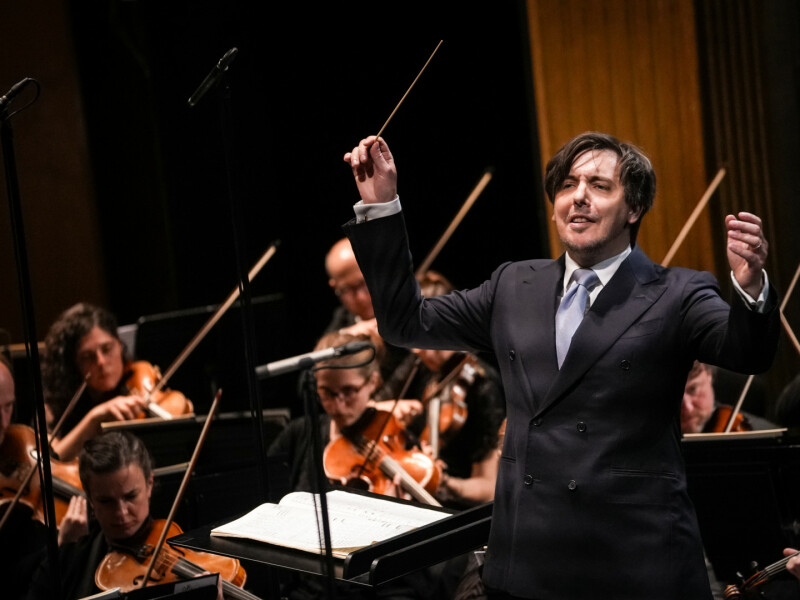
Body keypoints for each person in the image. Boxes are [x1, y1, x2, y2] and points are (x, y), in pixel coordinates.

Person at [340, 132, 780, 599]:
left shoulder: (677, 292)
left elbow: (747, 353)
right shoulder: (513, 285)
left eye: (600, 185)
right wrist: (382, 207)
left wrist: (751, 288)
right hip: (526, 566)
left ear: (634, 208)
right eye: (568, 185)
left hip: (634, 565)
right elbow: (406, 322)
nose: (579, 197)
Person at [268, 331, 439, 599]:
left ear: (373, 382)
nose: (338, 404)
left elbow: (419, 544)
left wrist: (396, 513)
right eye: (327, 393)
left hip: (380, 585)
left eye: (349, 391)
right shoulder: (299, 434)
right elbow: (266, 502)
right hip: (312, 584)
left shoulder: (395, 436)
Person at [27, 430, 233, 600]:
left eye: (130, 496)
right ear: (90, 498)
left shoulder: (190, 546)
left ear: (149, 484)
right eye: (106, 501)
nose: (121, 513)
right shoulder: (67, 560)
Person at [41, 303, 190, 462]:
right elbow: (50, 464)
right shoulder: (56, 409)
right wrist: (94, 419)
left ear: (119, 345)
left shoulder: (138, 380)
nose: (101, 362)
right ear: (73, 363)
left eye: (107, 349)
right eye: (87, 356)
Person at [324, 238, 427, 401]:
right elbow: (309, 384)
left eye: (364, 282)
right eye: (347, 289)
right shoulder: (343, 319)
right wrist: (343, 339)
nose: (360, 297)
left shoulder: (414, 308)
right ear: (335, 286)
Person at [681, 360, 777, 433]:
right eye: (674, 395)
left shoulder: (762, 432)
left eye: (693, 389)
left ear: (710, 375)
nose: (688, 407)